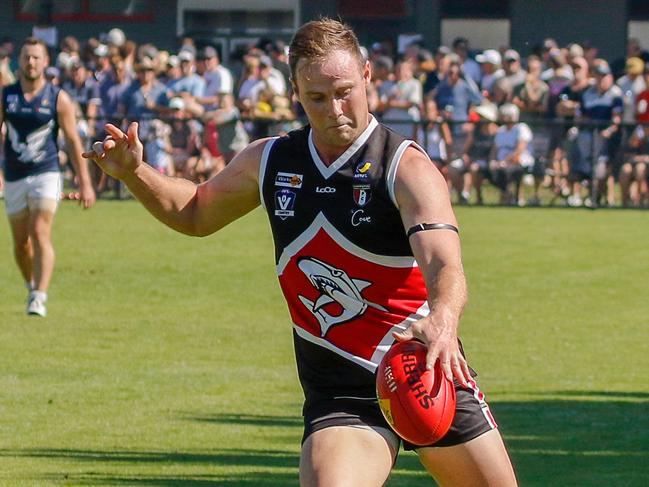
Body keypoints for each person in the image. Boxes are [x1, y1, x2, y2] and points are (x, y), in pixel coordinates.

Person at [85, 19, 517, 486]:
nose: (335, 109)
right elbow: (194, 212)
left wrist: (444, 319)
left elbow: (443, 262)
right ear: (294, 92)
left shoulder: (406, 167)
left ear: (368, 75)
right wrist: (136, 173)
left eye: (345, 91)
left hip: (424, 368)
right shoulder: (270, 160)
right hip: (340, 394)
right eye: (317, 97)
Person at [1, 37, 95, 317]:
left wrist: (86, 182)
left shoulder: (57, 98)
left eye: (36, 57)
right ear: (21, 61)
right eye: (27, 57)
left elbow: (73, 142)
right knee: (20, 244)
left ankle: (39, 296)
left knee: (39, 231)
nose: (31, 62)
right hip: (15, 175)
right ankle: (31, 285)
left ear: (45, 62)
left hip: (47, 172)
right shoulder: (6, 96)